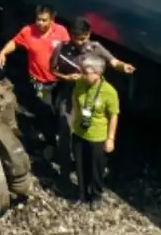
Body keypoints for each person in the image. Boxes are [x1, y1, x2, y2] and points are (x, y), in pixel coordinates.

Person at [49, 16, 134, 173]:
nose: (80, 42)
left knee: (91, 126)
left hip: (92, 95)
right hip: (71, 94)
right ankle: (65, 162)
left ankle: (89, 160)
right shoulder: (62, 48)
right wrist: (66, 77)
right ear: (70, 34)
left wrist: (123, 67)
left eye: (83, 38)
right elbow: (53, 70)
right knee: (65, 125)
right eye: (76, 38)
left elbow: (113, 61)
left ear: (89, 34)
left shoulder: (96, 48)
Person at [0, 5, 70, 146]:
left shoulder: (61, 32)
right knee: (45, 108)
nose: (40, 23)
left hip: (60, 80)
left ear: (52, 20)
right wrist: (3, 52)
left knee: (60, 108)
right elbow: (15, 42)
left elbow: (68, 50)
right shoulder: (28, 31)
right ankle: (48, 136)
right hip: (40, 82)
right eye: (38, 19)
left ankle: (59, 132)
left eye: (44, 20)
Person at [71, 55, 119, 210]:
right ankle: (82, 194)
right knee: (80, 166)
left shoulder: (109, 92)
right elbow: (75, 100)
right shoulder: (80, 83)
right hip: (79, 132)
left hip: (98, 136)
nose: (82, 75)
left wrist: (110, 139)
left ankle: (96, 196)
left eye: (86, 72)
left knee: (96, 169)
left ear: (97, 74)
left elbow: (113, 115)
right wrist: (74, 120)